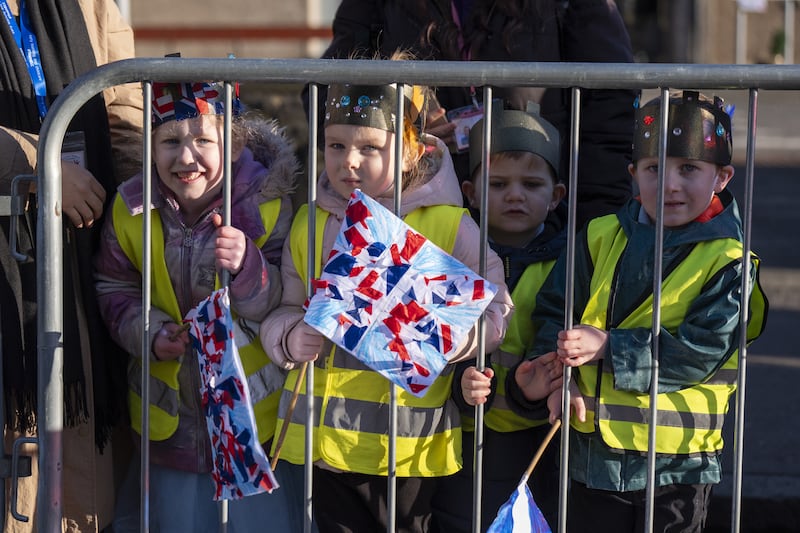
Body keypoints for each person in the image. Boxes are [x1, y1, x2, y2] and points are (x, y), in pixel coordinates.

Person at [259, 73, 513, 532]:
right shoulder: (307, 222)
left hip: (408, 448)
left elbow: (497, 308)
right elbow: (286, 306)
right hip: (324, 443)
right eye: (335, 146)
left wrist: (457, 337)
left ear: (412, 150)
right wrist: (290, 335)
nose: (348, 162)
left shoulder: (451, 225)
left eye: (369, 148)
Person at [509, 90, 769, 532]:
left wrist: (609, 346)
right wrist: (554, 375)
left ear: (722, 177)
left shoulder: (729, 261)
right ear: (634, 174)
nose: (670, 184)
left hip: (677, 467)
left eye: (689, 169)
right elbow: (555, 311)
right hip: (593, 460)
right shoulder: (599, 236)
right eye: (654, 169)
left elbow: (702, 350)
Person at [93, 80, 299, 532]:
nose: (186, 158)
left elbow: (287, 299)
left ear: (236, 141)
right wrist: (148, 333)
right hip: (171, 425)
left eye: (204, 140)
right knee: (176, 521)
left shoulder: (267, 206)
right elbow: (114, 286)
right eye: (169, 141)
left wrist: (249, 265)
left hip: (253, 428)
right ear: (149, 145)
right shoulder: (130, 208)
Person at [0, 0, 142, 531]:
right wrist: (41, 164)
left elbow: (123, 107)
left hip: (81, 258)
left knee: (81, 469)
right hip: (7, 268)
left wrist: (138, 213)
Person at [310, 0, 636, 229]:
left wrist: (594, 227)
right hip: (426, 218)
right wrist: (408, 123)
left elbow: (611, 107)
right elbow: (329, 89)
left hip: (545, 222)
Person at [431, 103, 567, 531]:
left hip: (540, 440)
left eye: (531, 184)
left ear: (556, 195)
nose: (514, 195)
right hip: (462, 433)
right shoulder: (450, 255)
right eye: (498, 183)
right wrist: (459, 383)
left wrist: (532, 389)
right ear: (470, 192)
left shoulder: (571, 261)